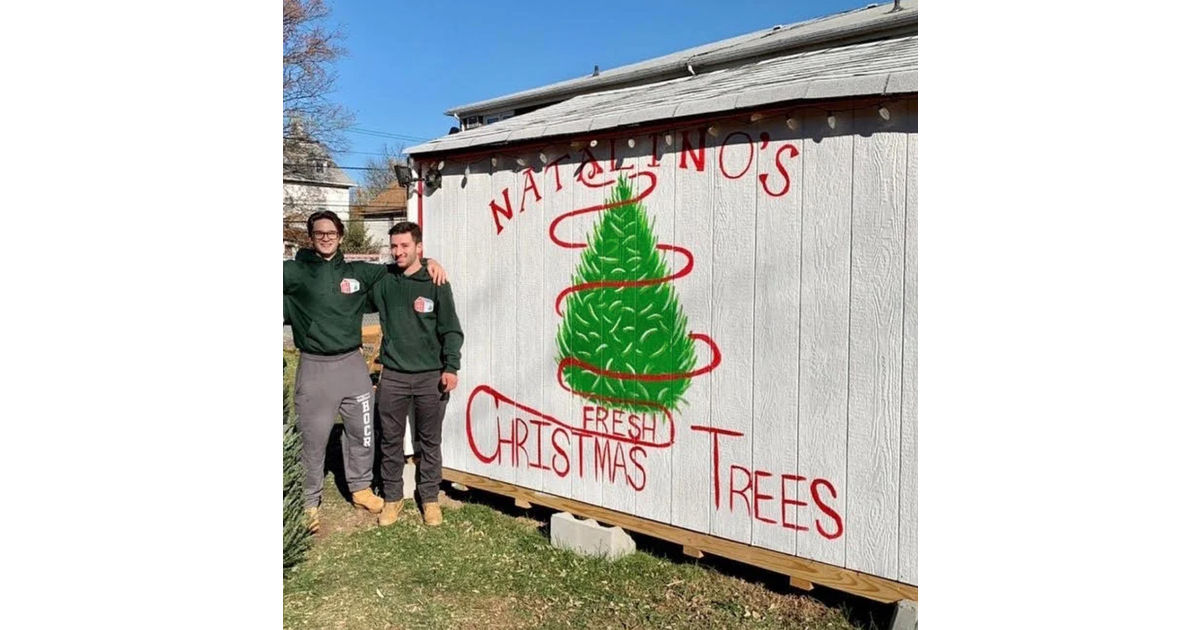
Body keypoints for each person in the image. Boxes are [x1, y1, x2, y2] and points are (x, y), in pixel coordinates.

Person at [284, 210, 447, 533]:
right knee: (313, 439)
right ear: (311, 237)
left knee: (363, 433)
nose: (326, 237)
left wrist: (428, 261)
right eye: (319, 233)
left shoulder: (359, 272)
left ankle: (360, 489)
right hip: (315, 367)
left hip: (353, 365)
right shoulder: (295, 271)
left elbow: (401, 265)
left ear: (341, 236)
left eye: (332, 233)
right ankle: (308, 502)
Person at [370, 221, 463, 527]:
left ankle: (430, 498)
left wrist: (451, 366)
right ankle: (393, 498)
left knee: (429, 441)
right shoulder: (383, 281)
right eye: (394, 246)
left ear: (418, 248)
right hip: (393, 375)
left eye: (404, 246)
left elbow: (451, 329)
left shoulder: (436, 282)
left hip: (430, 376)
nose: (398, 252)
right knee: (390, 440)